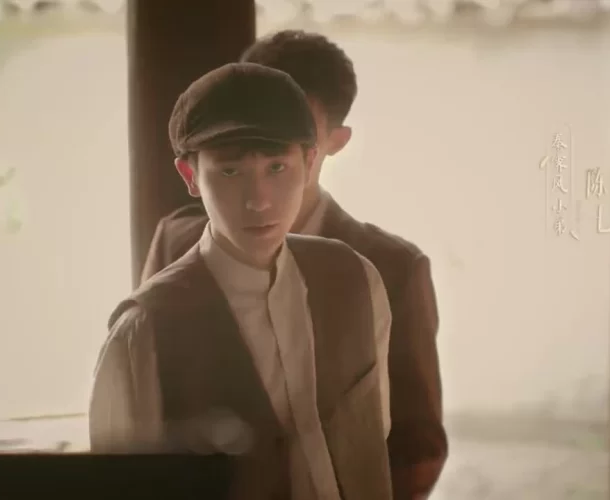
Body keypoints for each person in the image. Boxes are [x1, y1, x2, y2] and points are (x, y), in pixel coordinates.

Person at [141, 30, 447, 499]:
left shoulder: (389, 267)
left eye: (291, 122)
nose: (262, 133)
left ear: (330, 143)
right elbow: (147, 402)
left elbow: (416, 448)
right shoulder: (176, 239)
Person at [89, 62, 394, 500]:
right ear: (191, 177)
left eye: (277, 168)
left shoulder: (356, 281)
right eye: (230, 172)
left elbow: (373, 435)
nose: (258, 201)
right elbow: (119, 487)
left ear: (310, 163)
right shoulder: (144, 330)